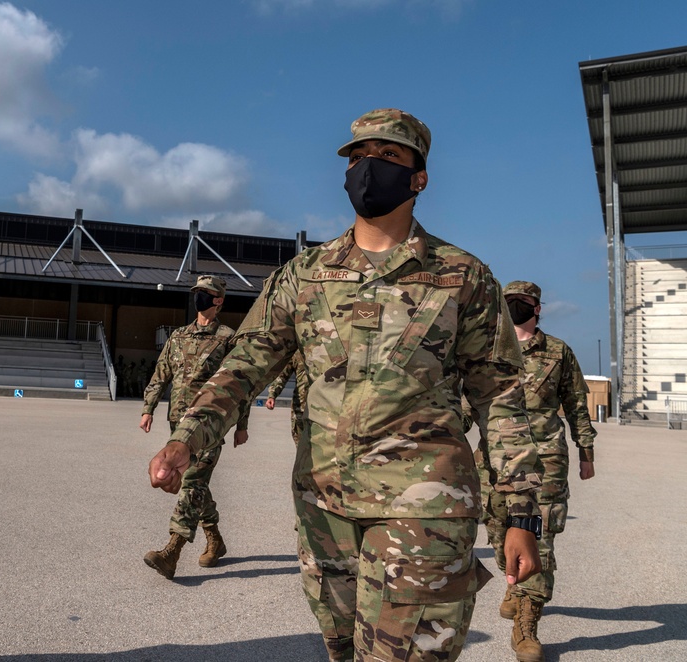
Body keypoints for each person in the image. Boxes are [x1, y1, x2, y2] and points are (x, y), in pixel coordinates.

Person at [148, 109, 543, 661]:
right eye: (357, 158)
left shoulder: (463, 277)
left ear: (419, 177)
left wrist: (521, 515)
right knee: (341, 650)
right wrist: (186, 438)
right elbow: (245, 364)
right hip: (324, 506)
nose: (367, 168)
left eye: (387, 156)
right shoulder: (303, 274)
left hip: (424, 508)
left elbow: (500, 398)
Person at [471, 280, 597, 662]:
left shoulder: (558, 352)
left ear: (537, 308)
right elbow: (466, 402)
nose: (515, 307)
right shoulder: (487, 350)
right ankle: (514, 581)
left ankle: (526, 625)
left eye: (522, 302)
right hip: (495, 459)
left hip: (546, 462)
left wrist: (586, 451)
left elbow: (576, 404)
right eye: (509, 301)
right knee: (497, 529)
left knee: (537, 538)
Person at [139, 275, 250, 579]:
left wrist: (242, 424)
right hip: (179, 425)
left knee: (192, 483)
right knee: (196, 482)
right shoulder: (178, 336)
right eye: (197, 292)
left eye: (206, 293)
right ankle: (215, 539)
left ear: (219, 300)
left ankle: (171, 551)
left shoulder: (228, 337)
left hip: (212, 422)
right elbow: (161, 373)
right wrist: (148, 408)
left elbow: (240, 383)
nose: (199, 297)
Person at [264, 351, 309, 446]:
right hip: (301, 406)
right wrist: (272, 394)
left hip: (326, 408)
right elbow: (282, 375)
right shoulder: (297, 351)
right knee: (301, 447)